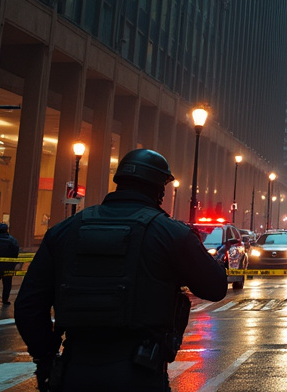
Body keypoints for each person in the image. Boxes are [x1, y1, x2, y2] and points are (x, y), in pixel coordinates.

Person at [15, 148, 229, 392]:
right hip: (141, 371)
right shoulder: (171, 234)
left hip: (75, 367)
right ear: (160, 189)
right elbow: (215, 288)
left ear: (118, 182)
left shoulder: (64, 230)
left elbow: (28, 306)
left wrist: (47, 357)